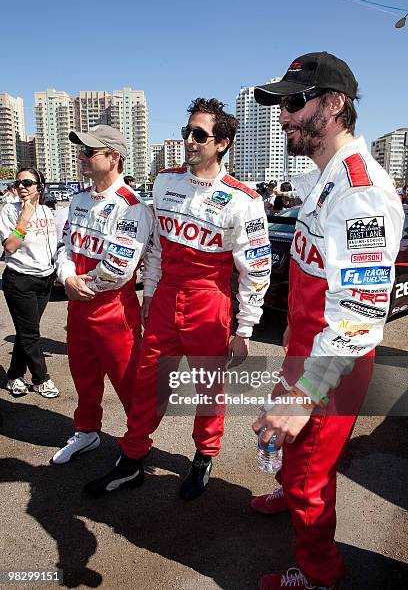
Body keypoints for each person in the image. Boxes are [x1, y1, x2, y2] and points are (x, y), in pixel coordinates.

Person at [251, 51, 404, 589]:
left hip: (333, 365)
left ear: (334, 104)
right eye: (282, 104)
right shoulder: (324, 176)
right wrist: (293, 330)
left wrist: (304, 391)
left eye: (294, 102)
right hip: (308, 346)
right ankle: (289, 489)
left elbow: (360, 314)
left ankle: (320, 574)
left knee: (311, 480)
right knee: (290, 451)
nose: (283, 115)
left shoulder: (361, 190)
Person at [84, 98, 271, 499]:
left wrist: (245, 327)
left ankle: (204, 455)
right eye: (187, 131)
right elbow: (154, 247)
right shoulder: (165, 181)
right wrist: (150, 292)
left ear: (221, 143)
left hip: (211, 301)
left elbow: (255, 270)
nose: (189, 140)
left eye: (199, 134)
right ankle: (132, 459)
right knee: (148, 382)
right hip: (167, 297)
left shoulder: (244, 199)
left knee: (208, 386)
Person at [52, 125, 152, 464]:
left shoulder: (131, 206)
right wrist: (67, 276)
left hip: (113, 310)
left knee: (129, 385)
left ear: (114, 157)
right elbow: (64, 248)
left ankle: (137, 446)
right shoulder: (78, 200)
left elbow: (119, 268)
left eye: (89, 152)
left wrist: (80, 284)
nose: (81, 156)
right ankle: (86, 432)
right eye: (81, 150)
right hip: (77, 305)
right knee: (84, 376)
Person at [0, 167, 59, 398]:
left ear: (39, 186)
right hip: (19, 279)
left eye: (27, 183)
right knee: (30, 333)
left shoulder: (47, 211)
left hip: (44, 279)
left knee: (27, 331)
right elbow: (10, 246)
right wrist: (25, 216)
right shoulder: (9, 211)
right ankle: (40, 378)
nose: (21, 187)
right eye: (18, 184)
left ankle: (14, 375)